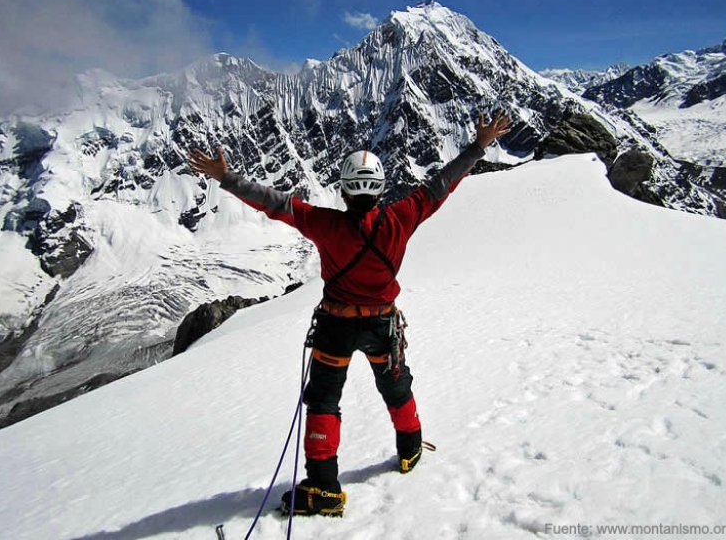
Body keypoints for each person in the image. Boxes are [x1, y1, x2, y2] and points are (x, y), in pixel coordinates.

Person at [189, 109, 512, 517]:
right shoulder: (401, 218)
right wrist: (478, 146)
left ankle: (324, 488)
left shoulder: (324, 224)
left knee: (324, 399)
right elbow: (440, 185)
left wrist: (226, 178)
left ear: (342, 191)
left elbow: (274, 204)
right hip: (382, 324)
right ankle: (410, 448)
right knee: (395, 385)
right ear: (380, 190)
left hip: (336, 326)